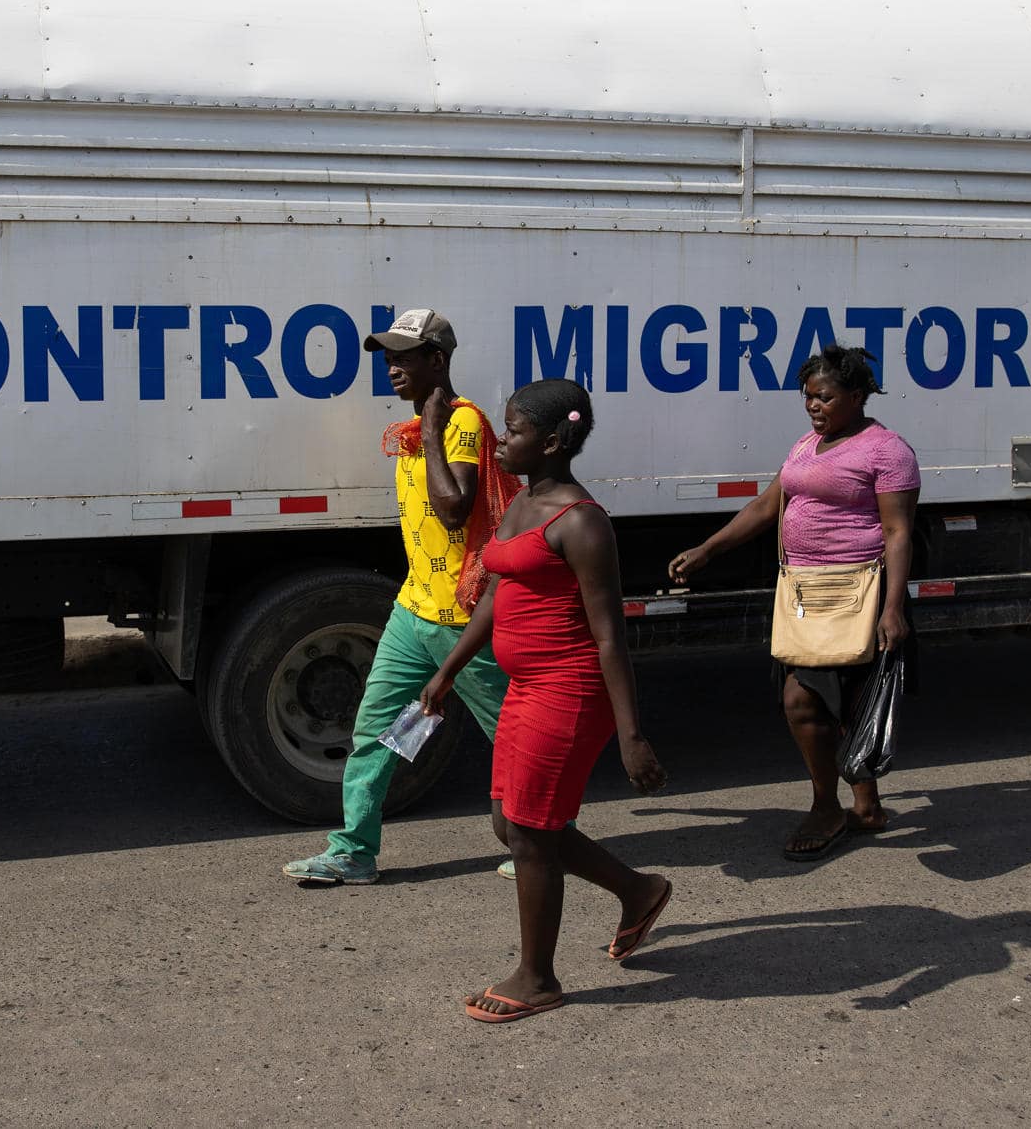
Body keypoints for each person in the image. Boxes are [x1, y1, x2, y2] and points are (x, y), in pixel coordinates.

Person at [420, 378, 671, 1023]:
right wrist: (449, 669)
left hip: (569, 689)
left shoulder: (582, 523)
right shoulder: (522, 503)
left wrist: (632, 733)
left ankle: (537, 978)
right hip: (526, 688)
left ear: (554, 441)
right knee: (512, 825)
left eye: (515, 431)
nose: (502, 441)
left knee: (530, 832)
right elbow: (501, 595)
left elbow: (610, 635)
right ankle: (638, 890)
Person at [281, 308, 521, 885]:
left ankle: (539, 843)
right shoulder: (420, 429)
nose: (391, 367)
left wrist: (435, 431)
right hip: (413, 611)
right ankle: (353, 852)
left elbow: (455, 507)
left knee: (514, 736)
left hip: (465, 618)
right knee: (373, 730)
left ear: (436, 360)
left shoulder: (460, 424)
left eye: (403, 356)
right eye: (387, 357)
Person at [669, 343, 919, 861]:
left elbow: (898, 532)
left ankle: (849, 807)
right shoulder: (808, 445)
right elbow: (767, 505)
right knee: (803, 700)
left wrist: (893, 608)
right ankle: (844, 805)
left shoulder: (887, 450)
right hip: (805, 594)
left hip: (861, 594)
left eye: (824, 397)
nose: (814, 406)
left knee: (848, 704)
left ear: (856, 395)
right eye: (808, 397)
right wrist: (707, 550)